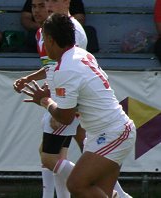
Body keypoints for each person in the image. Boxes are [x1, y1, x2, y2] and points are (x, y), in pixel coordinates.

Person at [21, 13, 136, 197]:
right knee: (100, 192)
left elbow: (65, 118)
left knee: (76, 184)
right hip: (105, 132)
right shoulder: (80, 54)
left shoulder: (66, 68)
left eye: (44, 40)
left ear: (50, 39)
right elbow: (55, 72)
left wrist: (45, 101)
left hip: (113, 133)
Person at [15, 0, 87, 197]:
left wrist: (60, 107)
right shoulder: (45, 31)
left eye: (46, 3)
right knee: (58, 155)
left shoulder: (72, 30)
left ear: (66, 2)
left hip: (66, 101)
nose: (41, 9)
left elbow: (69, 69)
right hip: (60, 99)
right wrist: (30, 78)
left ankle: (94, 185)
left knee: (50, 157)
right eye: (36, 5)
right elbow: (53, 66)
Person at [21, 0, 86, 52]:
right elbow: (52, 66)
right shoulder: (42, 31)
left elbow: (70, 65)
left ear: (67, 2)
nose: (49, 5)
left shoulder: (74, 30)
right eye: (47, 1)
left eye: (54, 0)